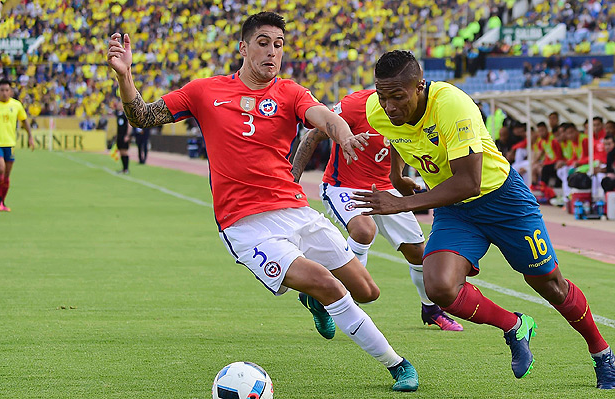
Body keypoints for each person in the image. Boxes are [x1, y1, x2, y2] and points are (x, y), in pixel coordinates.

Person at [106, 12, 418, 391]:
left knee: (368, 292)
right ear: (243, 47)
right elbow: (142, 115)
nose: (272, 52)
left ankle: (315, 301)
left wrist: (343, 134)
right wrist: (125, 77)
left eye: (279, 45)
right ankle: (398, 365)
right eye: (264, 42)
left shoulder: (289, 92)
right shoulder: (205, 91)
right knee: (325, 281)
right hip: (246, 225)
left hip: (297, 212)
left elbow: (322, 116)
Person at [352, 50, 615, 389]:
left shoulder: (453, 105)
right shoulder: (378, 110)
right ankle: (514, 326)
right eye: (383, 96)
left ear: (419, 86)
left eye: (397, 97)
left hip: (503, 202)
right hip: (457, 211)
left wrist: (402, 204)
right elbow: (398, 137)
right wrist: (397, 175)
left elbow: (469, 182)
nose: (389, 106)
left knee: (551, 285)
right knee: (440, 287)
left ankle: (602, 353)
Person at [291, 89, 463, 331]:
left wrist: (398, 176)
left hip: (385, 188)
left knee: (417, 252)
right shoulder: (354, 105)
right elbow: (312, 137)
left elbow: (400, 143)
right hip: (344, 186)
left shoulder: (416, 109)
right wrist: (292, 179)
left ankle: (430, 309)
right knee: (363, 229)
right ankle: (331, 296)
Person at [0, 78, 34, 212]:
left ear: (10, 91)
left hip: (10, 144)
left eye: (7, 90)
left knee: (7, 175)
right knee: (1, 168)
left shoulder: (16, 105)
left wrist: (30, 137)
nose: (4, 93)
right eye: (2, 90)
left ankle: (2, 202)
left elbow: (24, 121)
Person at [114, 100, 132, 174]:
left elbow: (129, 125)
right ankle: (124, 168)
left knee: (124, 151)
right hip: (120, 136)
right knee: (121, 152)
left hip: (124, 135)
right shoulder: (119, 114)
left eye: (120, 104)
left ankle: (126, 168)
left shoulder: (126, 115)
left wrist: (127, 135)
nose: (119, 106)